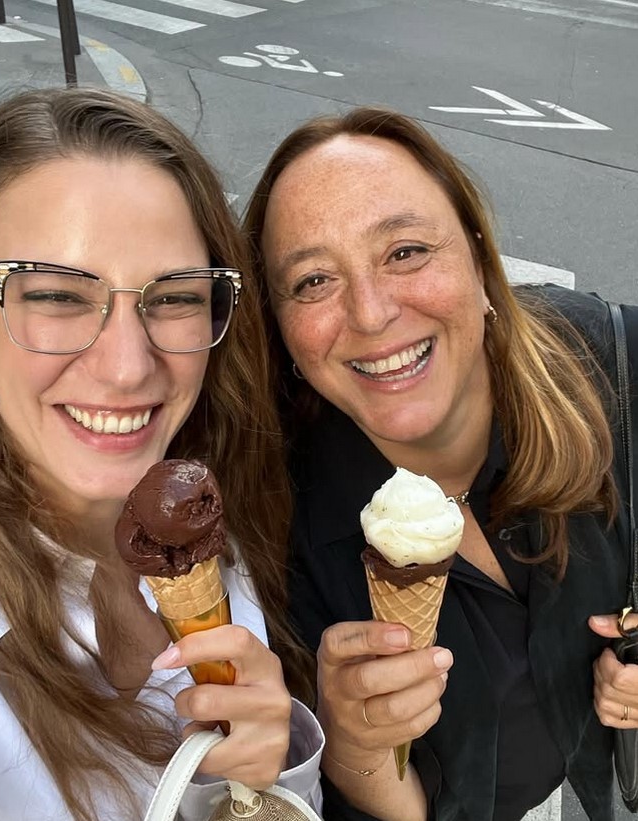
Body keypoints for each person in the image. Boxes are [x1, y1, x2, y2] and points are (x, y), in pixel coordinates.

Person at [243, 106, 638, 821]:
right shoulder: (274, 532)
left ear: (481, 263)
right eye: (313, 282)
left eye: (405, 251)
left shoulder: (611, 364)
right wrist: (356, 749)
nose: (370, 314)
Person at [0, 87, 323, 821]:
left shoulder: (216, 523)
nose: (129, 367)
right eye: (57, 296)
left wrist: (271, 775)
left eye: (174, 297)